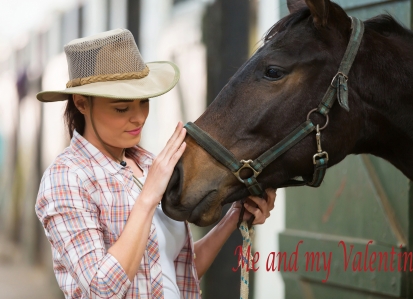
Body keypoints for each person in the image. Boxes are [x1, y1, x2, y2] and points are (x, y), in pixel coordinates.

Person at [35, 29, 276, 299]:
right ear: (81, 103)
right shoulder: (67, 178)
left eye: (144, 103)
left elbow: (177, 272)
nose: (139, 118)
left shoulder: (148, 163)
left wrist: (233, 218)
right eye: (121, 108)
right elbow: (100, 289)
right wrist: (148, 196)